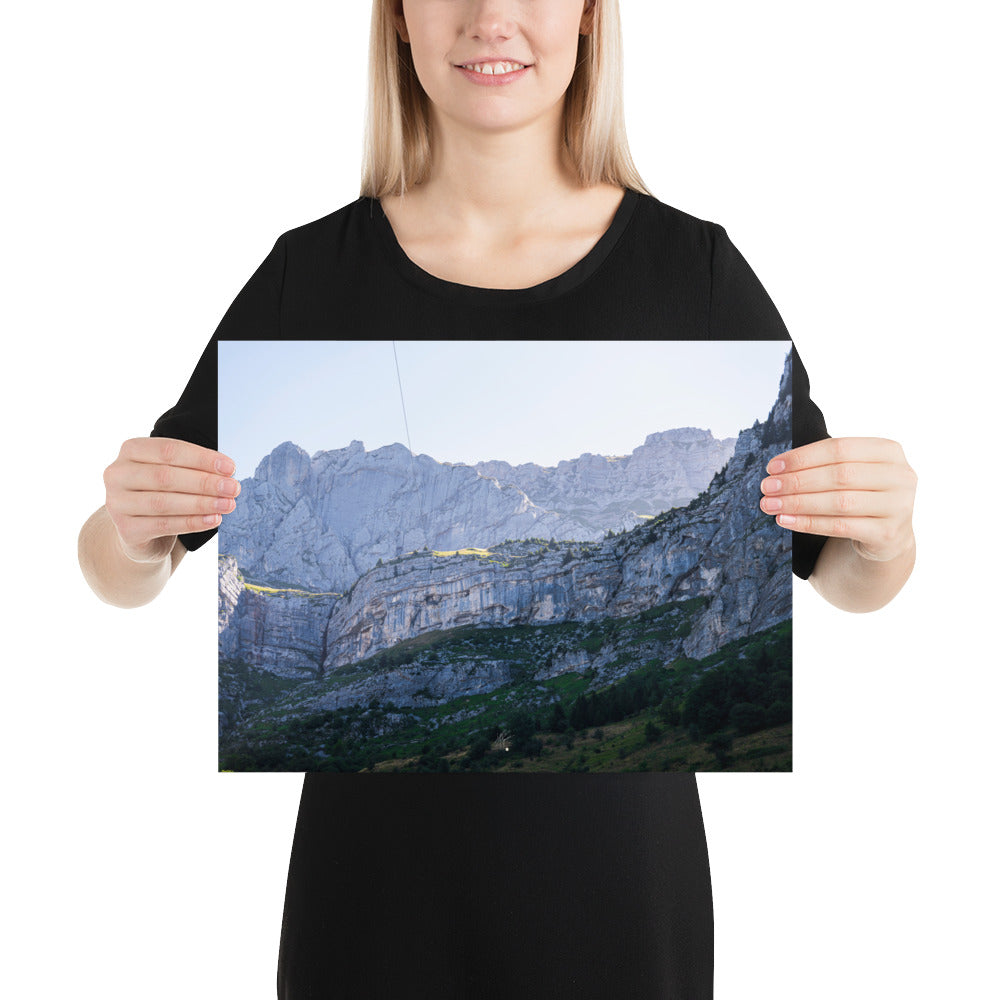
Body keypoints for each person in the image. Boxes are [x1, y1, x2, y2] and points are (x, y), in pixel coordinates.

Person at [78, 1, 917, 996]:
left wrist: (884, 532)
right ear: (396, 19)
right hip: (369, 913)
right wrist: (129, 533)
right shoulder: (310, 276)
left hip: (621, 911)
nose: (491, 18)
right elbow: (118, 568)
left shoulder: (693, 273)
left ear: (591, 17)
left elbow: (845, 577)